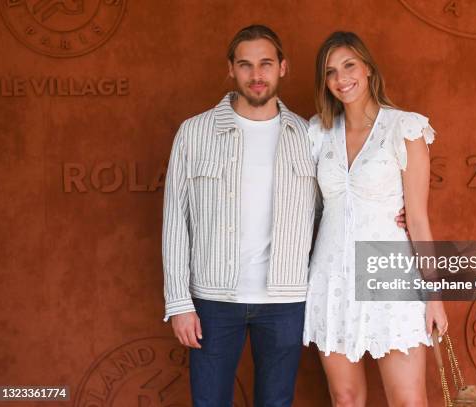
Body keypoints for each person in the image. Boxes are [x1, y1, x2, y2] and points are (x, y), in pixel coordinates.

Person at [162, 25, 409, 406]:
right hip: (213, 299)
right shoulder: (195, 133)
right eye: (245, 65)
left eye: (265, 64)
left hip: (286, 300)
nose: (256, 75)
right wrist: (179, 303)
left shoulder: (308, 134)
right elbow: (176, 220)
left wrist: (389, 211)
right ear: (231, 69)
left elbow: (335, 199)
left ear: (283, 67)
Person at [302, 31, 448, 407]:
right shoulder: (317, 133)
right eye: (331, 71)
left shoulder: (405, 128)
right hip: (331, 278)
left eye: (349, 65)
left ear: (367, 68)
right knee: (345, 398)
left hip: (388, 275)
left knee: (408, 401)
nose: (341, 78)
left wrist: (434, 296)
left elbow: (417, 218)